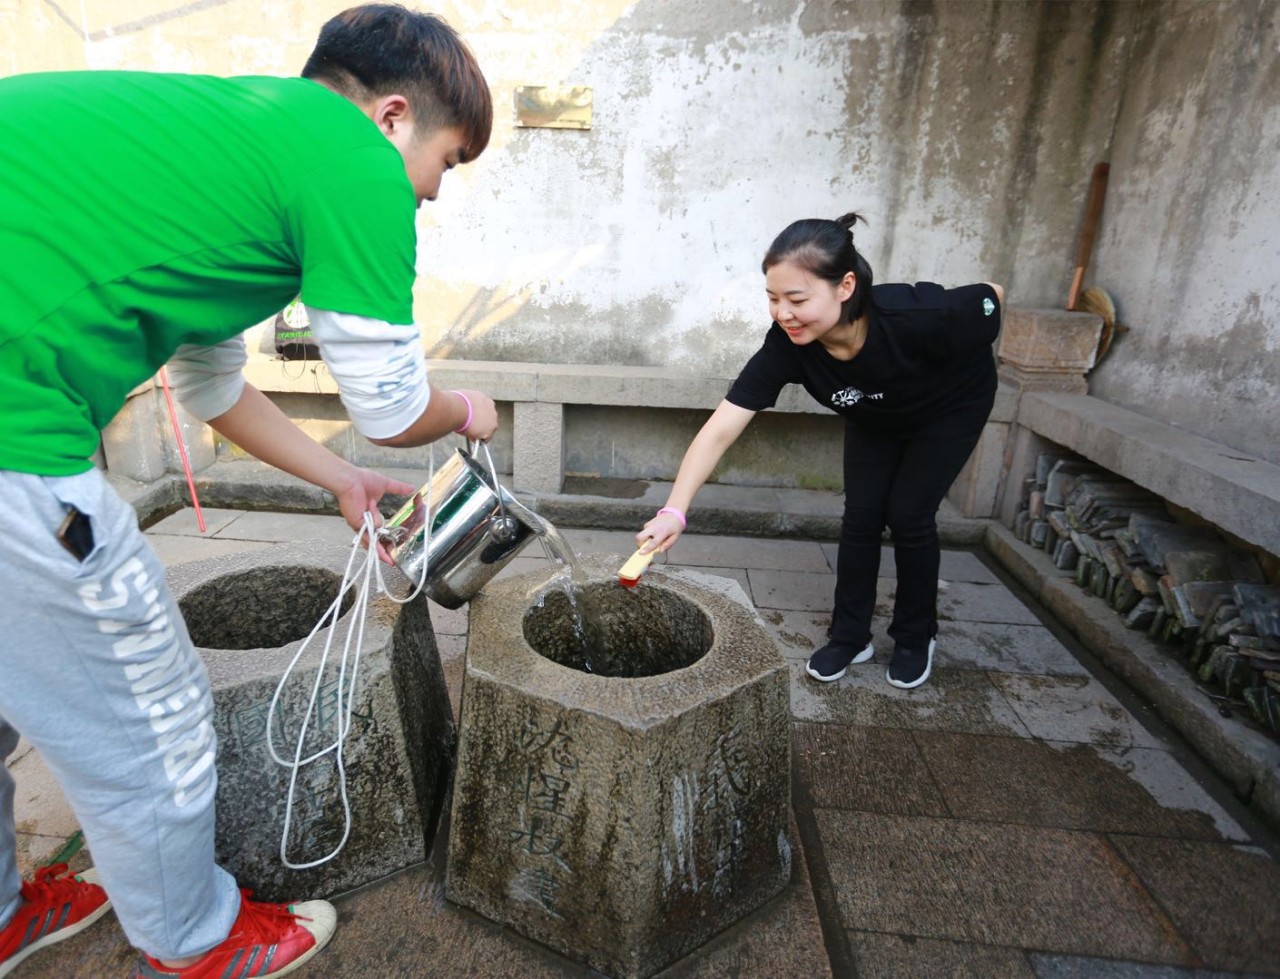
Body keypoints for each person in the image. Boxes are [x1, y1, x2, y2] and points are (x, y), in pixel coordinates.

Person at [0, 6, 497, 977]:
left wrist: (344, 477)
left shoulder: (221, 151)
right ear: (392, 117)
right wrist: (470, 408)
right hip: (14, 438)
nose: (433, 195)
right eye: (446, 162)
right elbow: (394, 402)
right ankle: (194, 941)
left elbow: (209, 386)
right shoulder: (351, 156)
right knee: (153, 716)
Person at [637, 213, 1003, 691]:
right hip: (876, 412)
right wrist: (674, 512)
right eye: (772, 298)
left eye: (797, 299)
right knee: (862, 515)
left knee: (910, 513)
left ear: (845, 285)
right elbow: (720, 429)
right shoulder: (789, 347)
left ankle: (916, 637)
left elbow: (991, 294)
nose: (783, 312)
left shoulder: (919, 315)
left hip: (950, 408)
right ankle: (850, 635)